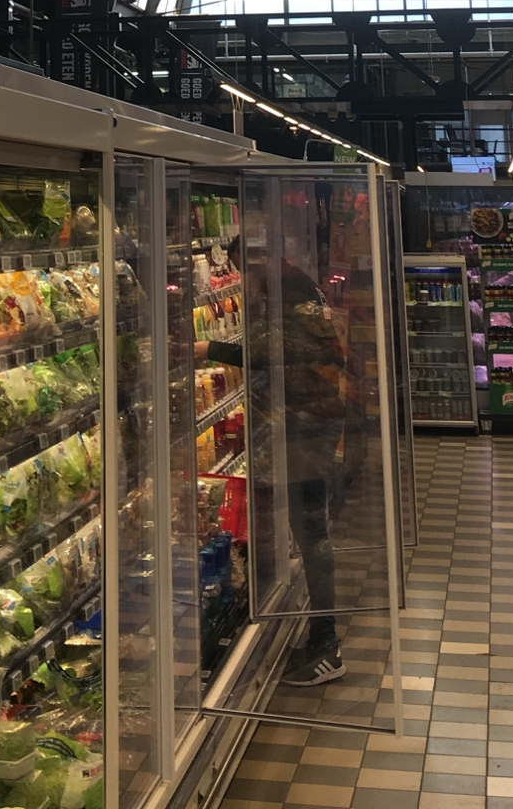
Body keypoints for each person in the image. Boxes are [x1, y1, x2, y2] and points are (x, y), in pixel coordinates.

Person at [197, 240, 348, 688]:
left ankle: (327, 644)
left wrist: (210, 347)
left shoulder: (291, 295)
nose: (244, 278)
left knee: (311, 530)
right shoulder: (293, 287)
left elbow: (279, 349)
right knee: (308, 527)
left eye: (245, 269)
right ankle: (322, 635)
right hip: (305, 421)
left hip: (306, 426)